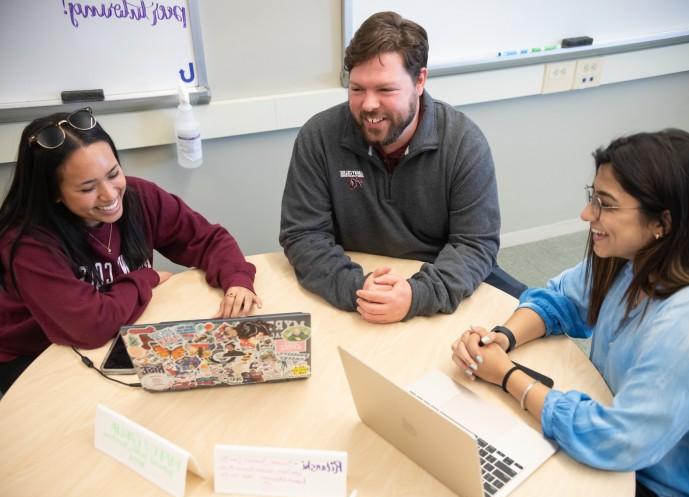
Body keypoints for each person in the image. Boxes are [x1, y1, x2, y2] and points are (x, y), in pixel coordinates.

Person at [451, 129, 689, 497]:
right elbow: (561, 300)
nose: (586, 215)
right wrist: (501, 338)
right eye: (592, 197)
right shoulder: (631, 258)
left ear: (662, 223)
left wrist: (508, 377)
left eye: (605, 205)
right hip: (615, 445)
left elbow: (619, 441)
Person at [280, 11, 523, 325]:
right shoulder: (318, 137)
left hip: (438, 282)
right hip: (357, 282)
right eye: (356, 89)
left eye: (385, 90)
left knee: (534, 320)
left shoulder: (464, 143)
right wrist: (358, 288)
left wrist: (415, 295)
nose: (368, 104)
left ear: (420, 81)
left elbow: (475, 244)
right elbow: (303, 234)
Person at [0, 107, 261, 393]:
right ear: (54, 193)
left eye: (113, 174)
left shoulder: (140, 197)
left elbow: (208, 239)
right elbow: (90, 325)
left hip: (115, 332)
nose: (110, 195)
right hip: (35, 354)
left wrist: (237, 278)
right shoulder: (27, 242)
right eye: (88, 188)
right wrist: (145, 278)